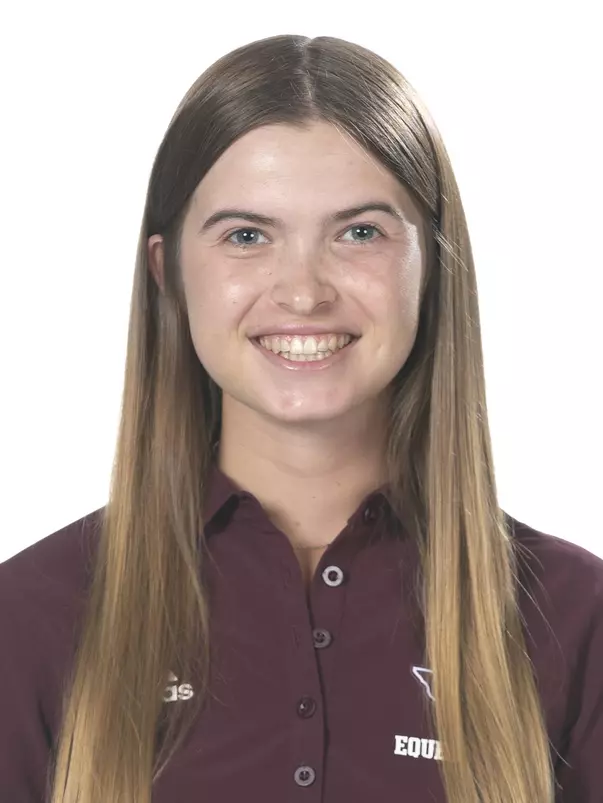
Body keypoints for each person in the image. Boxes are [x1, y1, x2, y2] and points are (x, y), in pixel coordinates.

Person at [0, 33, 601, 803]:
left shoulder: (573, 622)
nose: (304, 291)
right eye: (246, 236)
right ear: (168, 272)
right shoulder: (34, 619)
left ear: (433, 265)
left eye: (359, 232)